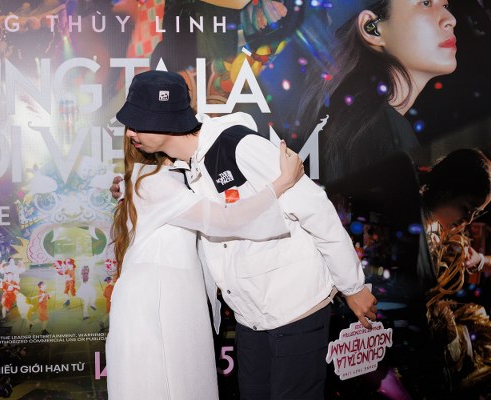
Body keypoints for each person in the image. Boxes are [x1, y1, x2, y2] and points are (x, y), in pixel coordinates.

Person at [111, 70, 377, 400]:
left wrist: (353, 286)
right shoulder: (181, 168)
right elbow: (166, 200)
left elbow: (315, 209)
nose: (130, 132)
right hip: (250, 317)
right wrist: (125, 189)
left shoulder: (239, 146)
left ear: (165, 122)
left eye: (139, 123)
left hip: (295, 306)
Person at [106, 90, 305, 399]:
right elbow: (225, 219)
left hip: (170, 296)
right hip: (159, 301)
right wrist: (281, 184)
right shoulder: (155, 182)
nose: (132, 132)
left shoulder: (163, 178)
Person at [297, 0, 457, 184]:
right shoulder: (387, 133)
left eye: (445, 6)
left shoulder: (342, 115)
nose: (451, 20)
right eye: (426, 3)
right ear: (372, 29)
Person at [419, 148, 491, 393]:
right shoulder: (416, 223)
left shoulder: (442, 228)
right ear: (445, 191)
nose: (468, 221)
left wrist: (478, 259)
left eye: (477, 213)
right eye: (467, 208)